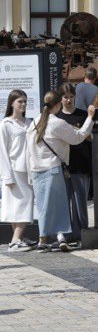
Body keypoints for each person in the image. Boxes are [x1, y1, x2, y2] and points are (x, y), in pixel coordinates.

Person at [27, 91, 95, 252]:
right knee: (59, 206)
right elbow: (78, 137)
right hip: (52, 169)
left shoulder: (34, 122)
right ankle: (47, 239)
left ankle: (50, 238)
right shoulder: (56, 123)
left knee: (44, 207)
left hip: (36, 169)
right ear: (58, 105)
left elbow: (28, 150)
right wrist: (90, 117)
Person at [56, 84, 91, 248]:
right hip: (63, 165)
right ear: (60, 98)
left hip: (81, 163)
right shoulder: (57, 117)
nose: (68, 100)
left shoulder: (83, 115)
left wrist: (80, 133)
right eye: (65, 97)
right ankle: (66, 233)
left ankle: (82, 233)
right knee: (63, 202)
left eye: (71, 96)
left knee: (80, 202)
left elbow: (90, 137)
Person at [1, 90, 35, 251]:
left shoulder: (29, 122)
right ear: (12, 103)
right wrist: (7, 176)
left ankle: (18, 238)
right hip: (14, 170)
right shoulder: (6, 124)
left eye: (25, 101)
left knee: (21, 206)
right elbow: (2, 151)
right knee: (22, 205)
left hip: (28, 169)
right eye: (20, 101)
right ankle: (15, 241)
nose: (23, 104)